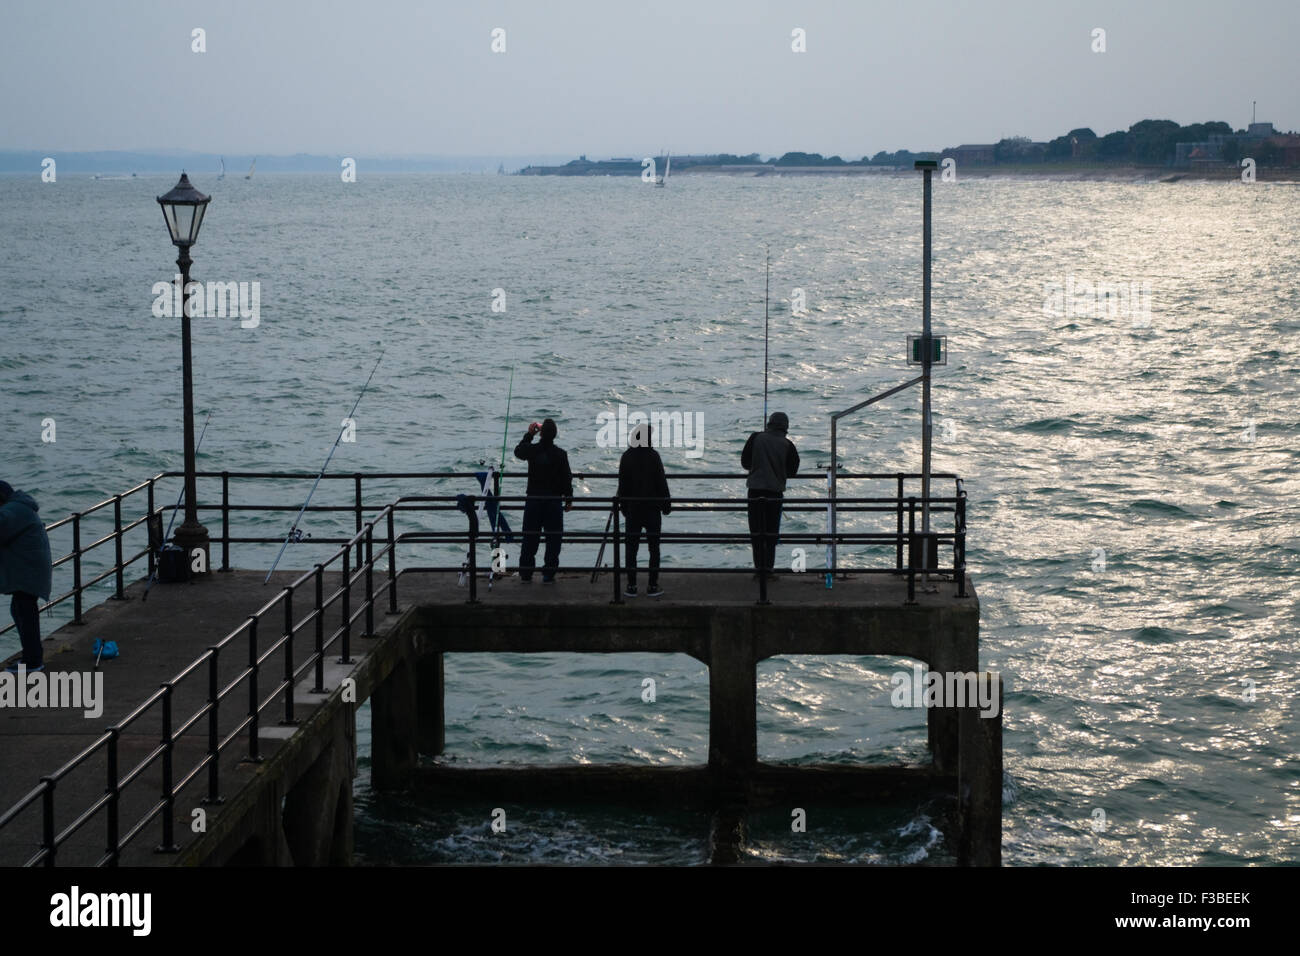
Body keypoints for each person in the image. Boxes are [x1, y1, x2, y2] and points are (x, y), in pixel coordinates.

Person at [0, 480, 53, 673]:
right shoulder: (18, 506)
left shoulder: (12, 511)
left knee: (24, 612)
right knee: (20, 610)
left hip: (29, 572)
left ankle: (32, 661)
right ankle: (32, 656)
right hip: (31, 570)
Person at [513, 418, 574, 583]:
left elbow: (518, 451)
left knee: (529, 538)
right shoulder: (561, 454)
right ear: (555, 435)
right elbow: (566, 479)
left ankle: (526, 573)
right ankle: (548, 574)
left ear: (541, 433)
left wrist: (529, 435)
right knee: (553, 540)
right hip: (553, 501)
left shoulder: (533, 450)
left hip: (533, 499)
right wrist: (568, 499)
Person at [741, 412, 800, 577]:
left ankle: (758, 571)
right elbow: (792, 471)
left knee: (757, 533)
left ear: (769, 424)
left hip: (755, 491)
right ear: (785, 427)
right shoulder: (788, 445)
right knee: (771, 533)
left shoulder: (756, 438)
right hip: (775, 493)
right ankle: (769, 570)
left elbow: (745, 463)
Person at [617, 423, 671, 597]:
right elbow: (661, 482)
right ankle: (652, 585)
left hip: (633, 508)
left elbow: (622, 485)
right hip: (652, 508)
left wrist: (623, 507)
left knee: (631, 548)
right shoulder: (653, 456)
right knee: (654, 548)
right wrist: (666, 504)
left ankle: (631, 585)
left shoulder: (626, 456)